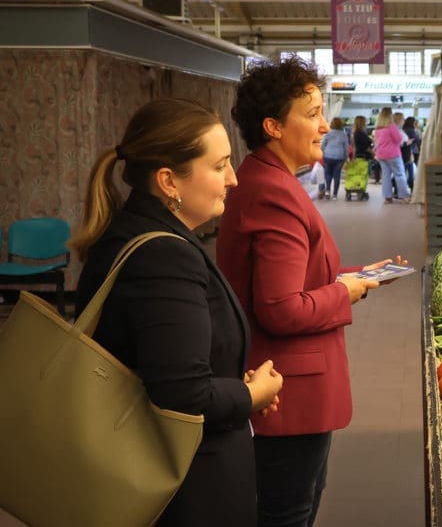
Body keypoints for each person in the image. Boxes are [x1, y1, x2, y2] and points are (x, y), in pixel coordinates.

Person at [69, 98, 284, 526]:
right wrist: (250, 396)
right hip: (186, 486)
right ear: (169, 181)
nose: (233, 178)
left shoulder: (135, 233)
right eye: (220, 166)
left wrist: (229, 382)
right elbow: (183, 395)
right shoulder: (164, 257)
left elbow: (167, 362)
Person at [219, 57, 399, 527]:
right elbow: (281, 308)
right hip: (288, 391)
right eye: (313, 113)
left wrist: (355, 275)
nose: (324, 125)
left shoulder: (269, 179)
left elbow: (295, 276)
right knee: (288, 512)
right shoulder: (274, 193)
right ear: (274, 126)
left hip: (284, 385)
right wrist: (345, 292)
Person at [373, 106, 410, 204]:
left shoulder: (378, 128)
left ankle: (387, 197)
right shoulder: (391, 126)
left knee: (386, 176)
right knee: (400, 174)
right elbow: (398, 139)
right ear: (390, 115)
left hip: (381, 155)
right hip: (393, 154)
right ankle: (403, 196)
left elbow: (376, 141)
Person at [320, 117, 349, 200]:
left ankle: (327, 191)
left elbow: (322, 145)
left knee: (328, 174)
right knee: (337, 175)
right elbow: (346, 148)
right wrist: (346, 157)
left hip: (328, 156)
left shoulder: (327, 133)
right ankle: (335, 195)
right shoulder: (343, 134)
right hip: (339, 156)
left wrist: (323, 153)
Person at [401, 116, 421, 192]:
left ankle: (398, 188)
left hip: (402, 152)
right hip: (409, 152)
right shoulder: (411, 130)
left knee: (403, 170)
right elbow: (416, 140)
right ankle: (411, 187)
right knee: (410, 171)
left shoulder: (402, 129)